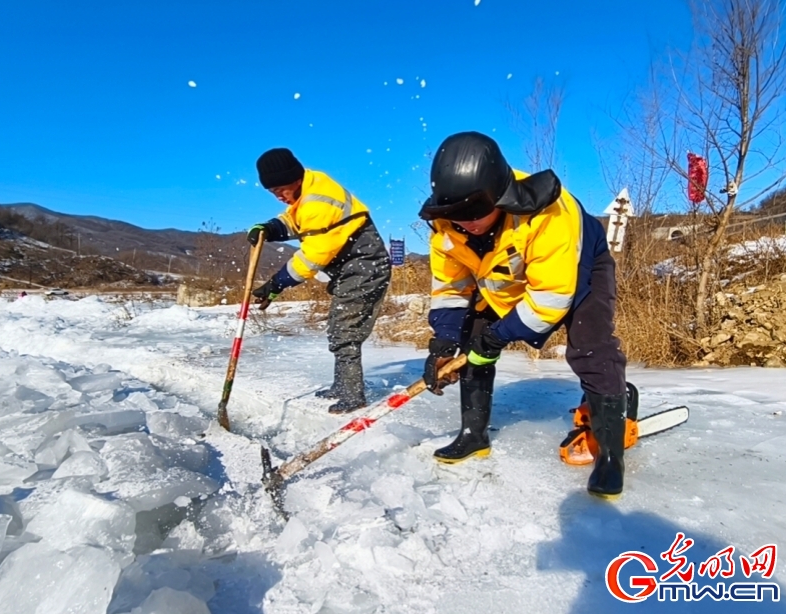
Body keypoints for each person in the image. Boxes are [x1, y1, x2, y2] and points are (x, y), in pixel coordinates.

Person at [419, 131, 628, 499]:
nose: (466, 222)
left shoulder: (550, 214)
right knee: (471, 339)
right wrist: (444, 340)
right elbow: (451, 288)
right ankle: (473, 434)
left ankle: (611, 456)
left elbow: (550, 297)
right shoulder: (446, 226)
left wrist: (499, 336)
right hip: (502, 279)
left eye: (475, 213)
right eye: (457, 215)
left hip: (578, 269)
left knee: (591, 349)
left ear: (499, 196)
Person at [247, 148, 391, 414]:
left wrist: (276, 284)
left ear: (295, 178)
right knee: (339, 326)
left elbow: (312, 257)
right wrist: (269, 228)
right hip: (351, 268)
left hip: (364, 267)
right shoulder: (310, 185)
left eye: (280, 189)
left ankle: (352, 393)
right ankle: (342, 384)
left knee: (344, 331)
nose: (278, 195)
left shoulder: (317, 202)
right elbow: (294, 220)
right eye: (272, 192)